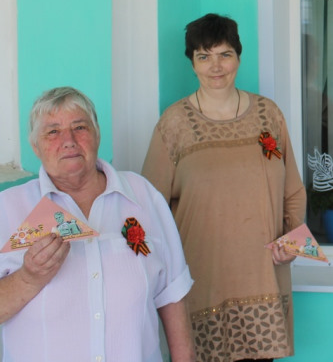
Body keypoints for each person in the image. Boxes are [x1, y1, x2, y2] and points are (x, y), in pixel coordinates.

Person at [142, 13, 306, 361]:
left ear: (238, 57)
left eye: (224, 54)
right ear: (192, 63)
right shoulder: (173, 125)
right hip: (201, 282)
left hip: (262, 279)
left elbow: (293, 191)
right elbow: (149, 208)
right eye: (204, 56)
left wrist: (292, 243)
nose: (215, 66)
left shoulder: (269, 116)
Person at [0, 86, 194, 362]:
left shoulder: (142, 195)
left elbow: (173, 295)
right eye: (53, 132)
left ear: (97, 134)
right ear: (35, 146)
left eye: (79, 127)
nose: (68, 141)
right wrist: (28, 279)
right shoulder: (8, 208)